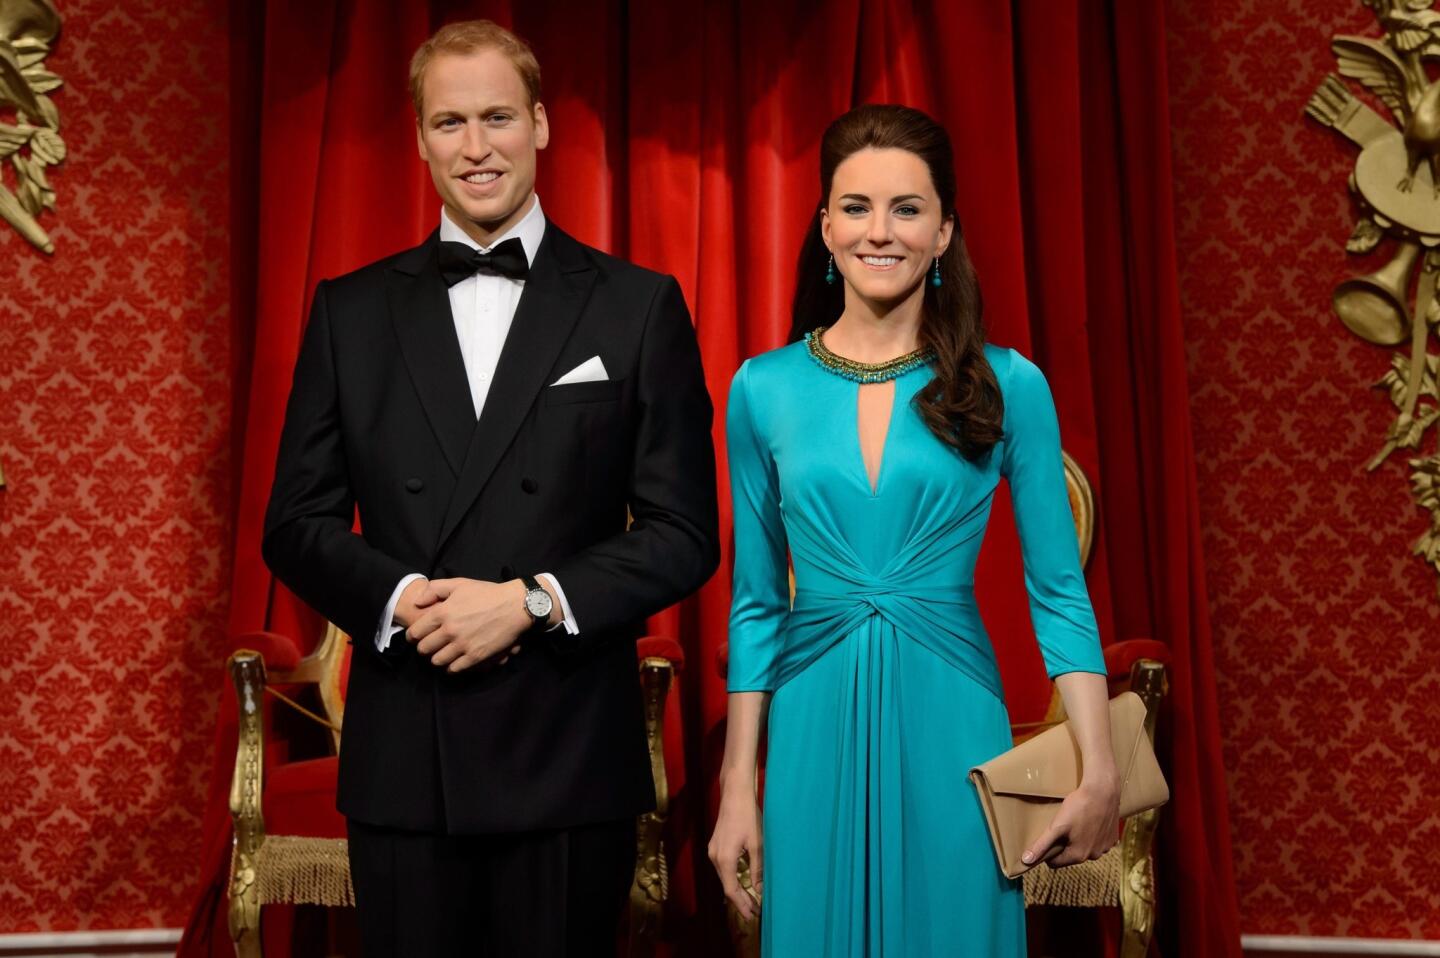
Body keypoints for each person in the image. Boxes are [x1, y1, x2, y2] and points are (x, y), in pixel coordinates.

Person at [262, 20, 719, 957]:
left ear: (543, 125)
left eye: (499, 117)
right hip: (405, 753)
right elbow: (296, 522)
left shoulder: (637, 305)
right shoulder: (350, 312)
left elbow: (683, 531)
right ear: (420, 138)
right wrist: (399, 599)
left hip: (565, 751)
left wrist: (532, 603)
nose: (477, 147)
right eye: (450, 122)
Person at [707, 104, 1121, 956]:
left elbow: (1056, 592)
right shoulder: (761, 388)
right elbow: (754, 606)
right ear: (825, 228)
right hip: (809, 716)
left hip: (952, 715)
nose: (879, 231)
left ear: (944, 233)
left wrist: (1100, 763)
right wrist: (737, 788)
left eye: (907, 208)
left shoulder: (1009, 385)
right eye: (855, 208)